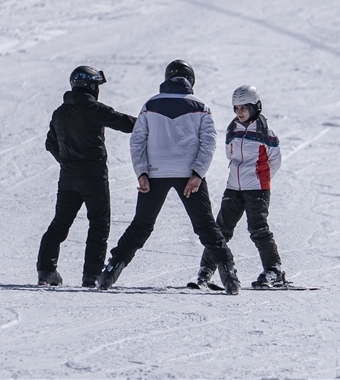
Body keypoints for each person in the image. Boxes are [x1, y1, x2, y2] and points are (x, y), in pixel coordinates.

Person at [98, 60, 241, 294]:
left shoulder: (150, 105)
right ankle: (230, 276)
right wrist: (197, 173)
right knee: (206, 227)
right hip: (189, 174)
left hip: (155, 173)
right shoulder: (201, 107)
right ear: (190, 80)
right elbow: (208, 142)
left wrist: (141, 172)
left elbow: (137, 140)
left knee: (141, 226)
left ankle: (110, 272)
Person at [37, 66, 136, 288]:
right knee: (99, 223)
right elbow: (126, 123)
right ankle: (91, 275)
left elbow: (50, 143)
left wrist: (66, 161)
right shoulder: (94, 108)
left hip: (69, 177)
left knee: (60, 223)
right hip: (94, 177)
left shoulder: (60, 112)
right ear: (91, 87)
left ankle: (46, 271)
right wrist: (152, 123)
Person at [193, 85, 285, 289]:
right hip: (234, 187)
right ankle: (206, 269)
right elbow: (230, 154)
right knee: (220, 230)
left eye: (244, 108)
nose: (239, 112)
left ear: (255, 107)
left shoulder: (265, 132)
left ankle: (274, 270)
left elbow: (275, 161)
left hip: (257, 188)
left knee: (258, 229)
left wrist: (260, 179)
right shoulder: (232, 129)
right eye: (236, 108)